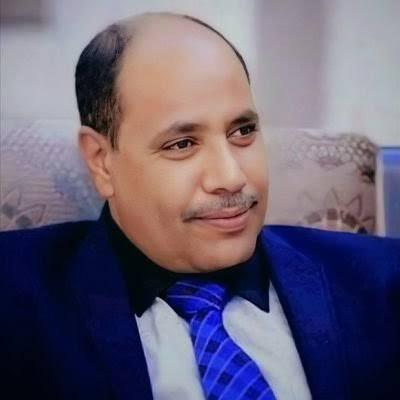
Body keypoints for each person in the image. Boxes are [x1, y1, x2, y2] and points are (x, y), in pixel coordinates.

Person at [0, 12, 399, 400]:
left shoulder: (385, 283)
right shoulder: (14, 294)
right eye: (182, 144)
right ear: (101, 161)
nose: (231, 177)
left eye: (243, 131)